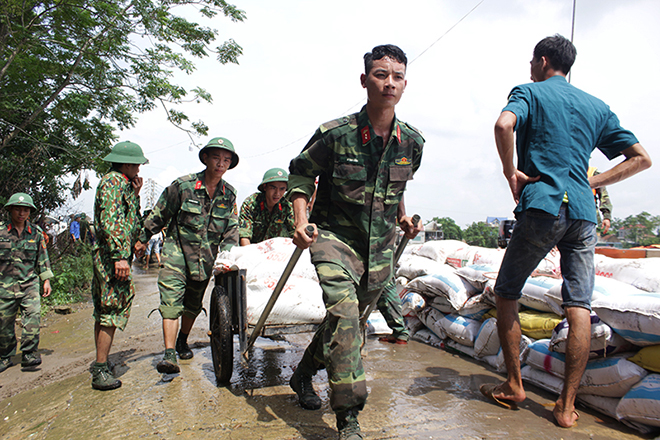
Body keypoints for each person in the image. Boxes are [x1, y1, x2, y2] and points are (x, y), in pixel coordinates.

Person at [484, 34, 651, 428]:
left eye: (531, 61)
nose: (529, 68)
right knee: (579, 305)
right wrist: (592, 184)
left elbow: (503, 124)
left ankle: (514, 385)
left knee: (507, 292)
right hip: (583, 214)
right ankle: (565, 407)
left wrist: (512, 172)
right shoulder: (597, 106)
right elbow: (641, 158)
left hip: (543, 205)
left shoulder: (530, 91)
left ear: (542, 61)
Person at [287, 44, 423, 439]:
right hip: (333, 239)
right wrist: (301, 221)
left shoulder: (411, 143)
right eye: (381, 75)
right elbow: (300, 175)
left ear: (405, 84)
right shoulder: (336, 134)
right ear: (365, 81)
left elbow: (395, 186)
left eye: (397, 77)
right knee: (347, 318)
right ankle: (348, 418)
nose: (389, 84)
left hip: (378, 250)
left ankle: (301, 375)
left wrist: (401, 217)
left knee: (343, 324)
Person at [136, 137, 239, 374]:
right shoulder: (183, 186)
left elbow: (233, 228)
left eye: (226, 160)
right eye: (216, 158)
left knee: (193, 305)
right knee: (171, 302)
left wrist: (228, 256)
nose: (220, 163)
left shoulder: (229, 194)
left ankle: (183, 340)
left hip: (205, 259)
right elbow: (159, 214)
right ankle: (169, 353)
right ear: (205, 158)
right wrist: (143, 239)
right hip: (176, 252)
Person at [91, 141, 148, 390]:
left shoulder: (123, 185)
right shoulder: (113, 182)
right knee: (109, 310)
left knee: (108, 308)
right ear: (126, 163)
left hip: (115, 255)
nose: (138, 168)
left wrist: (135, 195)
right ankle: (100, 368)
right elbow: (110, 221)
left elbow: (131, 220)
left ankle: (101, 363)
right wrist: (119, 257)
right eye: (136, 164)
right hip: (111, 257)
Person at [0, 193, 53, 373]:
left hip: (29, 284)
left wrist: (46, 279)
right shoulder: (1, 232)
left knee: (33, 317)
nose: (21, 213)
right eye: (17, 209)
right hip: (4, 286)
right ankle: (5, 356)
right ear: (10, 210)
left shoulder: (36, 233)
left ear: (29, 212)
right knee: (4, 323)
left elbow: (42, 258)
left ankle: (29, 353)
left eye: (25, 210)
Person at [239, 168, 295, 246]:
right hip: (252, 249)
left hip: (275, 251)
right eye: (273, 188)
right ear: (265, 187)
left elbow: (295, 233)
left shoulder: (287, 207)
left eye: (282, 189)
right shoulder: (251, 204)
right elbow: (244, 237)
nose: (277, 193)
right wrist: (250, 256)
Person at [587, 166, 612, 235]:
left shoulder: (593, 172)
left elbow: (603, 196)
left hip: (589, 217)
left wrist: (606, 216)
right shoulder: (562, 170)